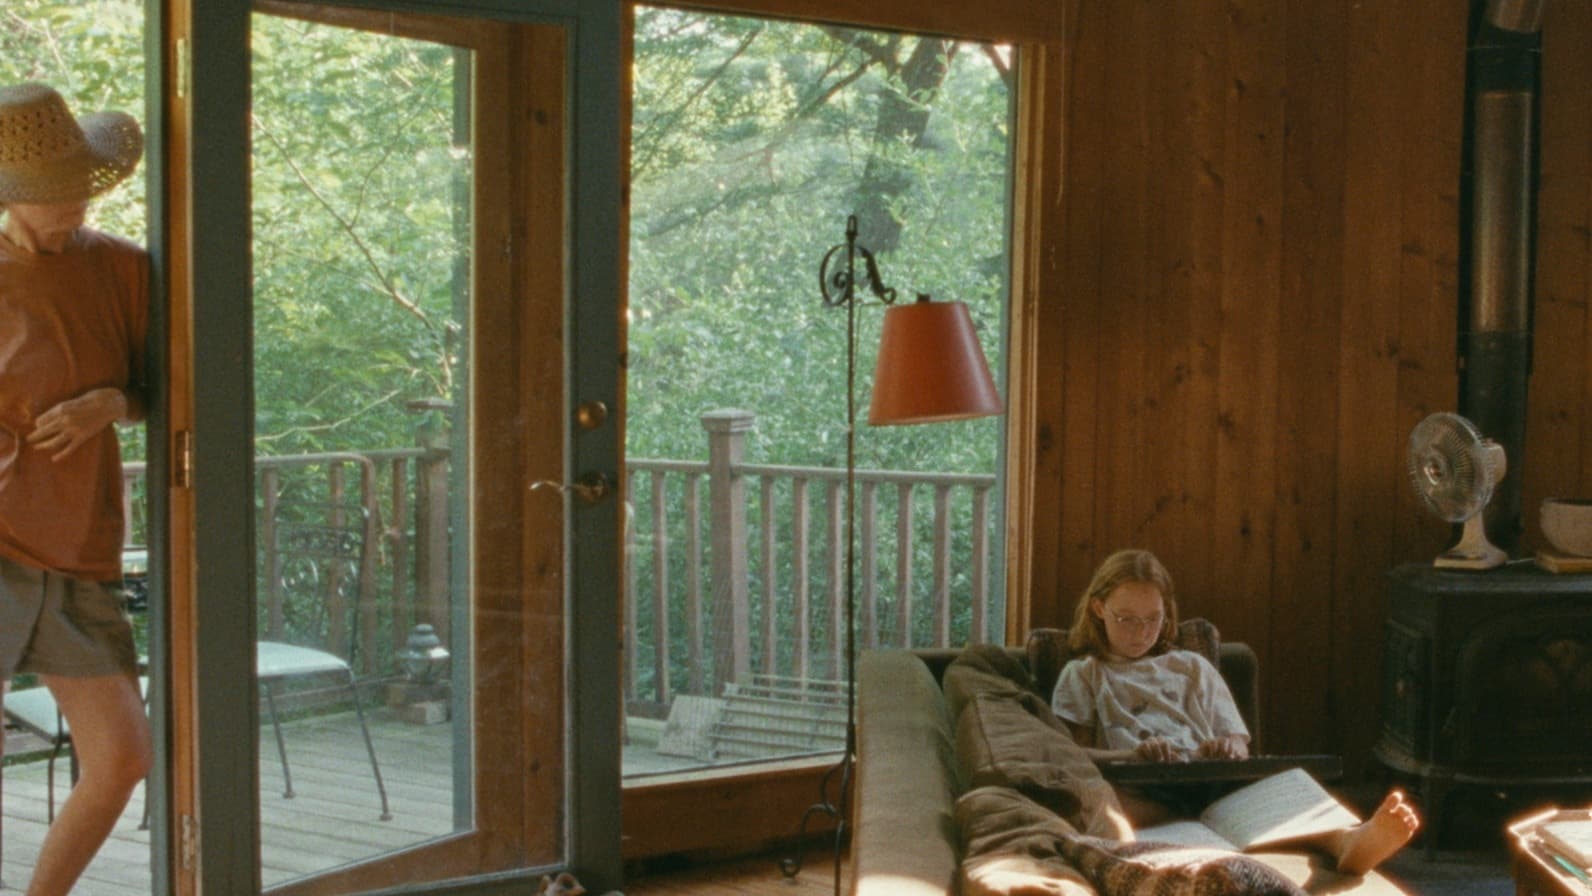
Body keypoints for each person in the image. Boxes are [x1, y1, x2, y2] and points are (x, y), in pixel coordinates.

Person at [0, 82, 153, 896]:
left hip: (79, 549)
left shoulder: (123, 269)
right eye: (55, 188)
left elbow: (167, 388)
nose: (77, 201)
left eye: (81, 182)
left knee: (123, 758)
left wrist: (112, 403)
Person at [1050, 548, 1420, 876]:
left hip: (1212, 783)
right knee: (1096, 803)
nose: (1141, 632)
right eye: (1127, 619)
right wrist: (1133, 754)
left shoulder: (1191, 668)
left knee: (1287, 789)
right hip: (1139, 790)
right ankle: (1142, 848)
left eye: (1153, 619)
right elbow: (1071, 754)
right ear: (1099, 609)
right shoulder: (1084, 674)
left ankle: (1347, 841)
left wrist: (1226, 747)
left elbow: (1240, 746)